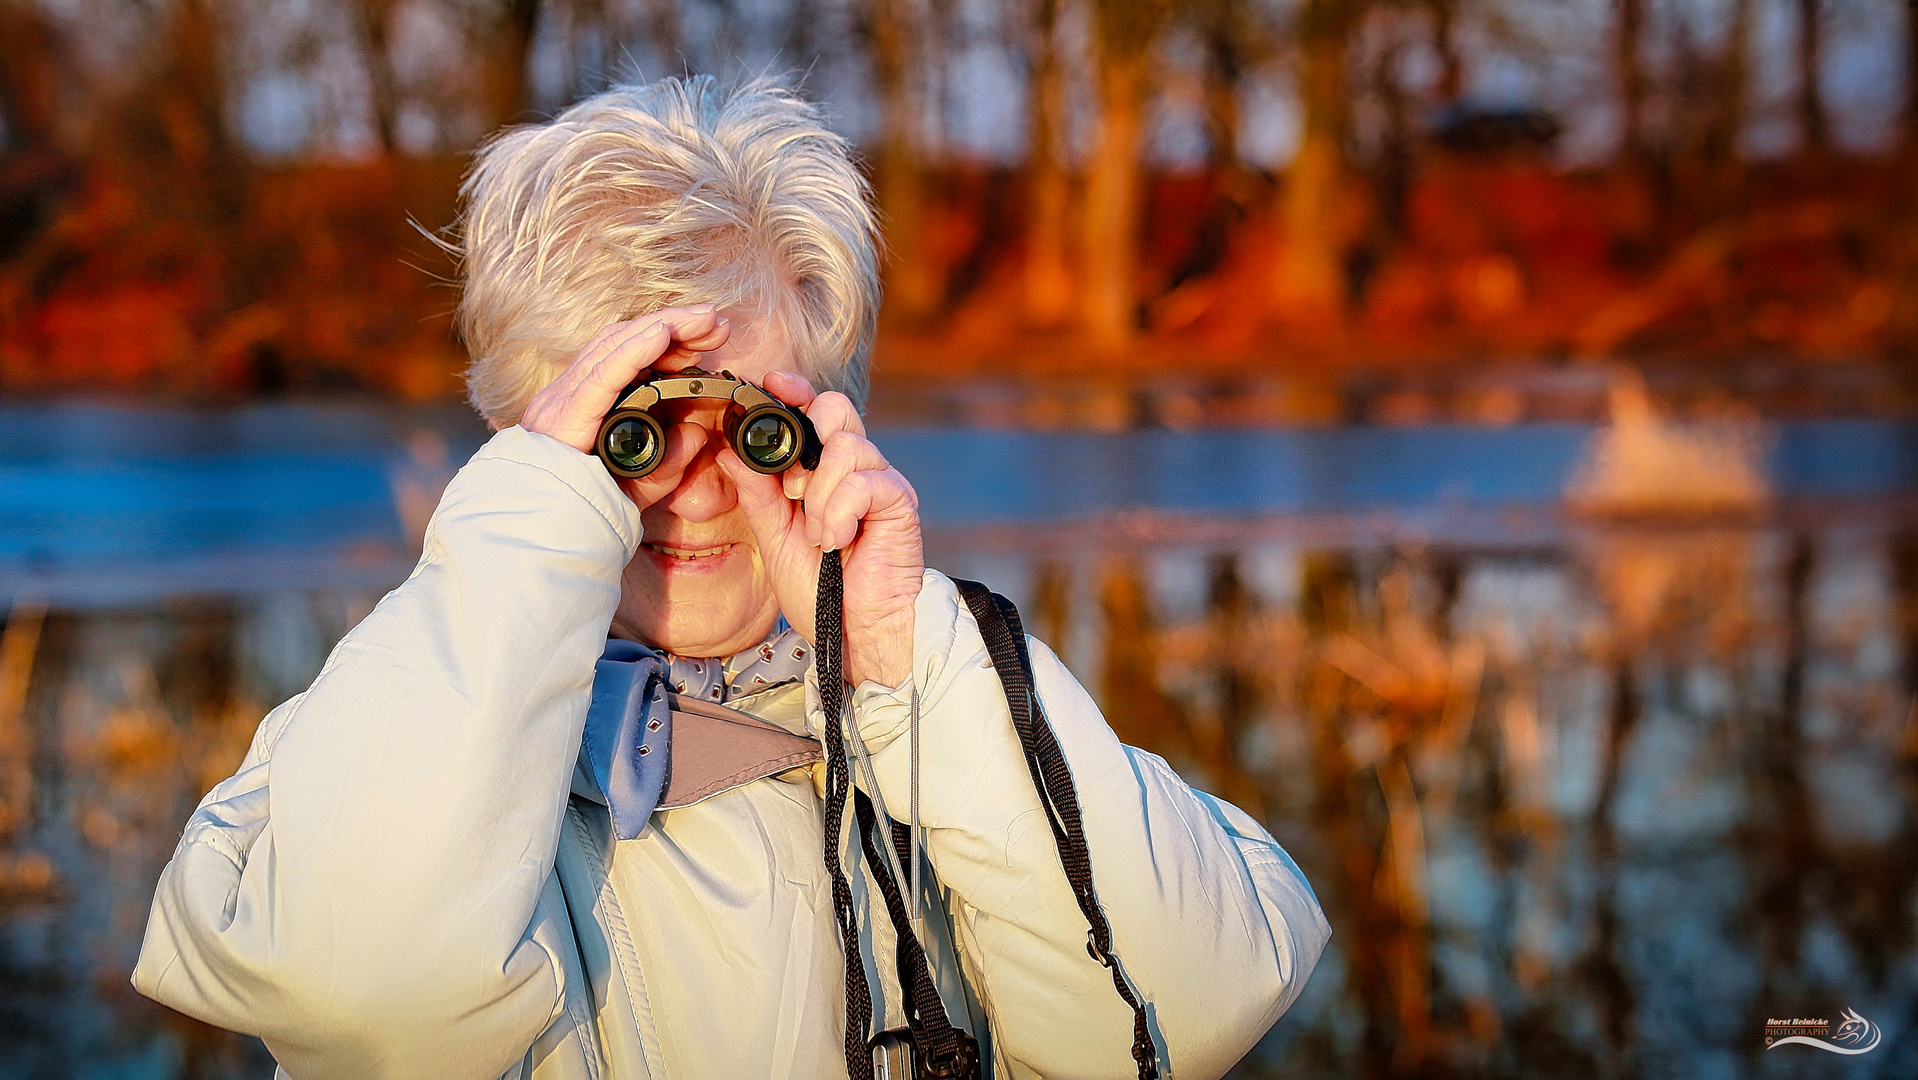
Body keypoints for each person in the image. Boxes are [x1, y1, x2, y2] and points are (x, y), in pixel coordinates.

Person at [131, 75, 1329, 1080]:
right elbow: (363, 998)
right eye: (626, 433)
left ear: (829, 424)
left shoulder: (938, 737)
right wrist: (530, 549)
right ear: (523, 444)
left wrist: (912, 658)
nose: (695, 485)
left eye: (753, 425)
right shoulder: (392, 742)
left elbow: (1181, 1011)